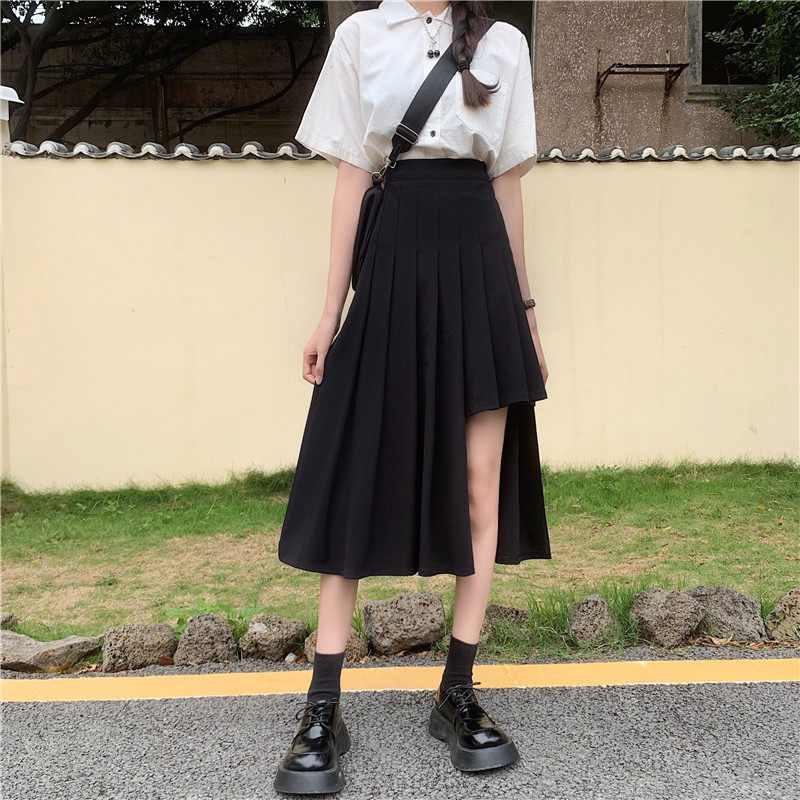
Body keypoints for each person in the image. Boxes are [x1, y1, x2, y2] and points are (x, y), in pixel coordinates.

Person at [273, 1, 550, 794]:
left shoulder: (505, 44)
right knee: (358, 470)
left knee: (480, 485)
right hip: (391, 266)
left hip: (480, 270)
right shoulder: (362, 35)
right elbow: (351, 178)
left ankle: (457, 691)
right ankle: (323, 704)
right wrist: (329, 313)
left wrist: (526, 314)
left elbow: (506, 184)